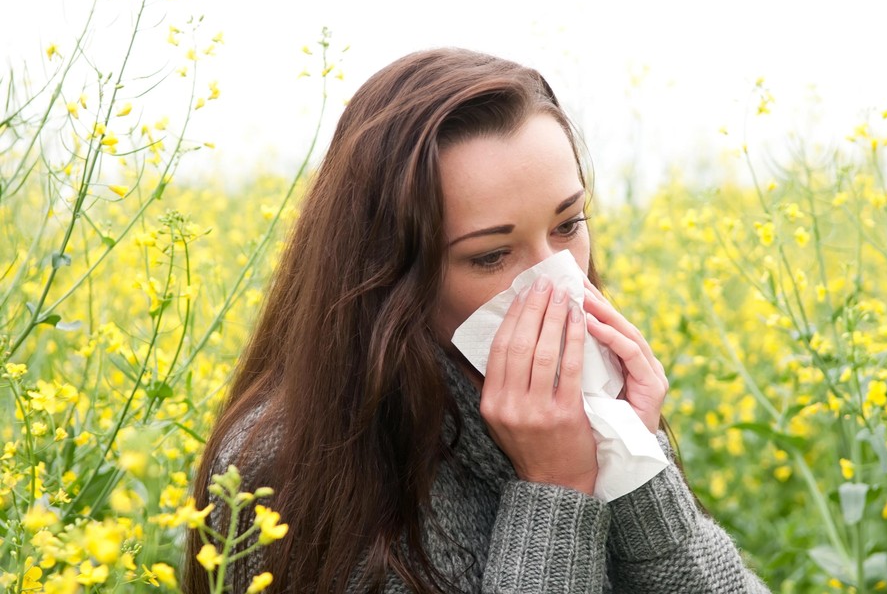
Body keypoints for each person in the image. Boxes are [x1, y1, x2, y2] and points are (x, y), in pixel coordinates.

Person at [184, 48, 770, 593]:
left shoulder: (594, 406)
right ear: (391, 274)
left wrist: (631, 465)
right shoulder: (285, 471)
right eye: (490, 255)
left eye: (568, 225)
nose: (557, 280)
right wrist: (555, 493)